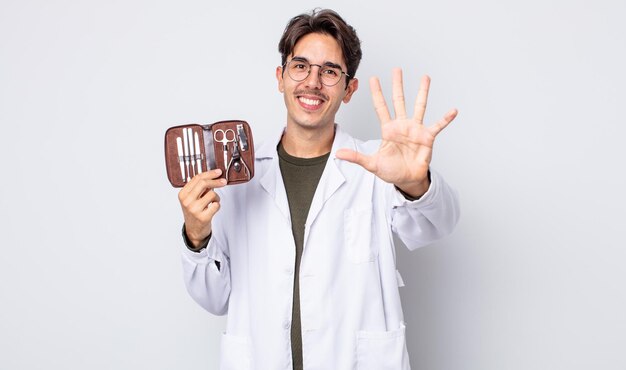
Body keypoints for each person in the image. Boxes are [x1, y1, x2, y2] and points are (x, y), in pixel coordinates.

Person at [177, 8, 460, 370]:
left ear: (348, 89)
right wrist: (196, 238)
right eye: (300, 66)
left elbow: (440, 223)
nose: (312, 82)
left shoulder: (377, 164)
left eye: (329, 71)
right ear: (280, 77)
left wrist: (413, 180)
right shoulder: (238, 176)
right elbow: (214, 298)